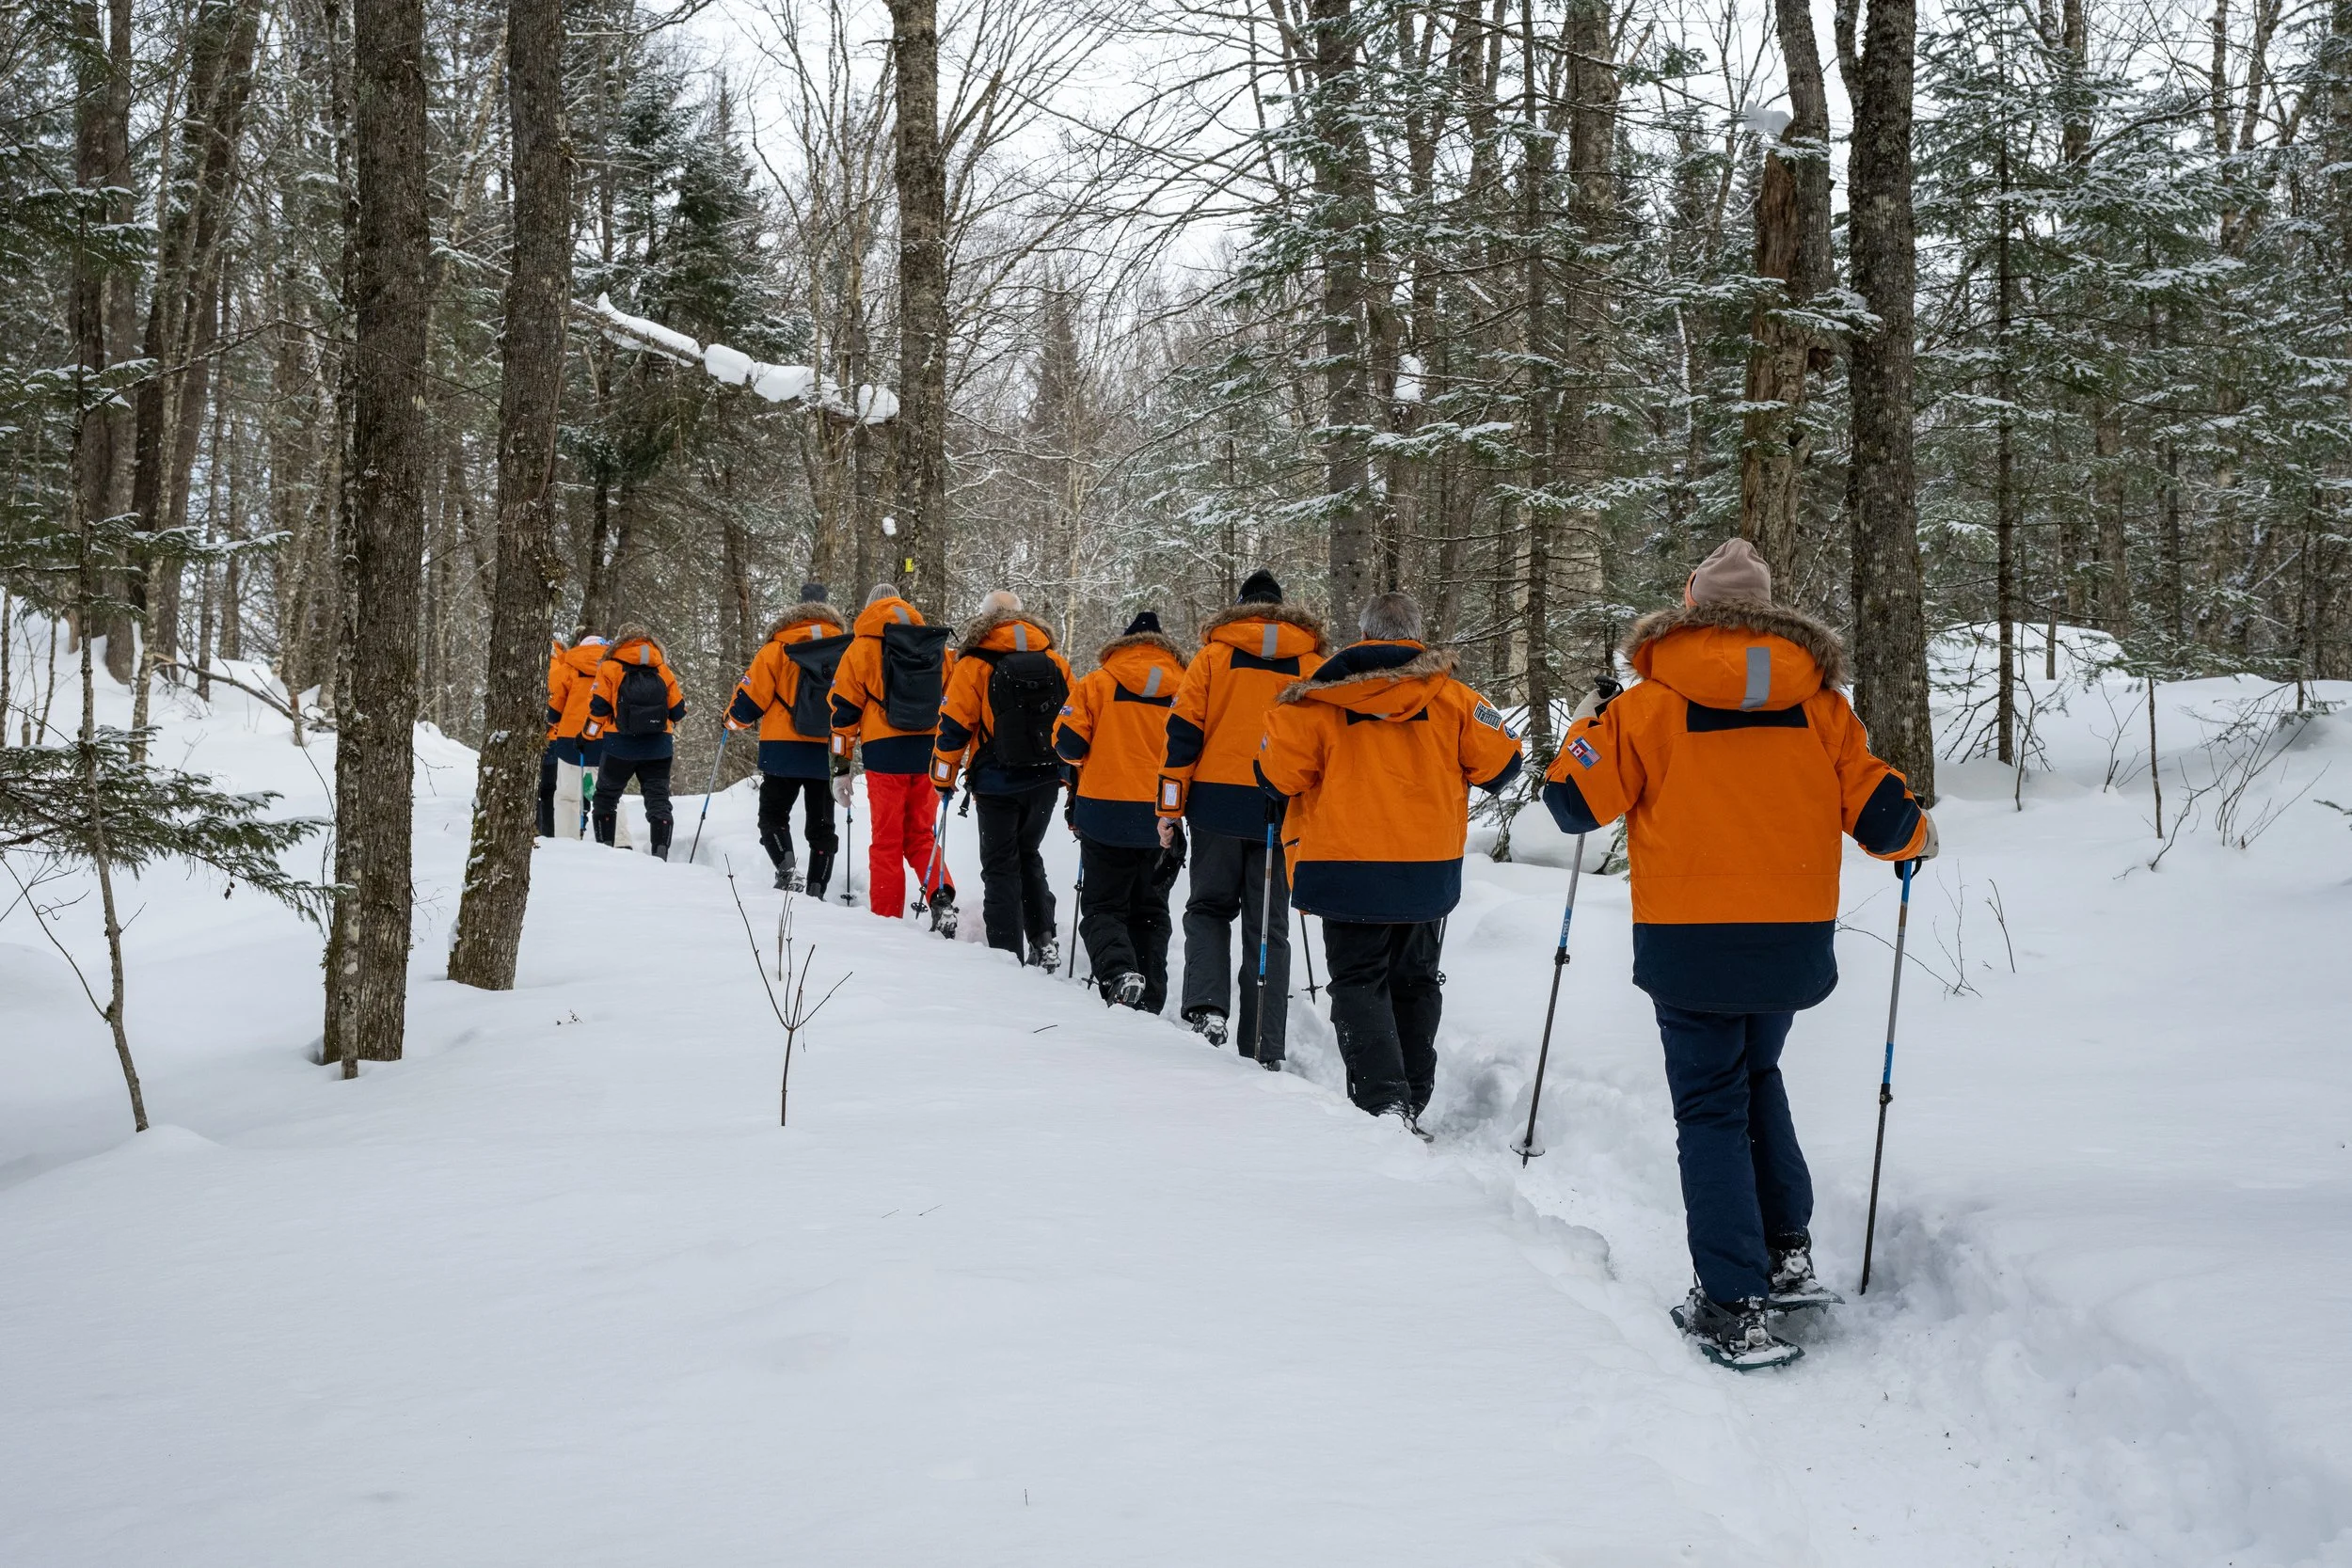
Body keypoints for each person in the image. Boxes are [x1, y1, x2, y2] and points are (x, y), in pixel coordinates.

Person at [1540, 536, 1935, 1370]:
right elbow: (1885, 816)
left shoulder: (1648, 704)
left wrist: (1586, 723)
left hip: (1691, 937)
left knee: (1712, 1105)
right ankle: (1785, 1251)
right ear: (1768, 611)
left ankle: (1731, 1300)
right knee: (1757, 1075)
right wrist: (1916, 829)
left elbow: (1573, 804)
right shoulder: (1823, 704)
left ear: (1691, 608)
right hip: (1789, 938)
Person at [1257, 591, 1522, 1120]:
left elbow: (1275, 778)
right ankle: (1413, 1096)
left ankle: (1384, 1099)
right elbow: (1504, 768)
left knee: (1358, 981)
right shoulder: (1458, 700)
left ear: (1363, 634)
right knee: (1415, 980)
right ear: (1417, 633)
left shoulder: (1314, 703)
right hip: (1426, 866)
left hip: (1343, 862)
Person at [1155, 569, 1328, 1063]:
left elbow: (1183, 735)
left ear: (1239, 607)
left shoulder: (1214, 657)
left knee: (1209, 908)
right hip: (1281, 805)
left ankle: (1208, 1010)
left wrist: (1169, 808)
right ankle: (1263, 1043)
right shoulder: (1314, 663)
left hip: (1215, 805)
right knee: (1269, 924)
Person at [930, 590, 1073, 964]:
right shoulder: (1054, 659)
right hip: (1045, 780)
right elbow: (1071, 722)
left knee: (1000, 865)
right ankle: (1043, 938)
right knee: (1029, 853)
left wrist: (942, 776)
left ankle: (1007, 954)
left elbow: (954, 726)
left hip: (996, 781)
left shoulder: (975, 661)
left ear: (985, 618)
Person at [1055, 611, 1188, 1008]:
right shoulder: (1188, 688)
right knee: (1150, 907)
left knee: (1103, 905)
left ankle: (1117, 973)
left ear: (1124, 645)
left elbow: (1068, 746)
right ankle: (1150, 995)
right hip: (1160, 813)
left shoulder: (1096, 684)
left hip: (1104, 811)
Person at [829, 583, 959, 931]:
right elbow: (953, 700)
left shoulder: (859, 649)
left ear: (871, 608)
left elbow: (843, 714)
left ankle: (886, 923)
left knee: (886, 841)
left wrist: (840, 769)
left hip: (885, 754)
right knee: (921, 835)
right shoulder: (934, 646)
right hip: (928, 752)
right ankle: (940, 895)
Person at [726, 585, 850, 894]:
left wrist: (731, 719)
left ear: (797, 609)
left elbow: (750, 702)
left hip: (782, 748)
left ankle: (787, 869)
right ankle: (817, 888)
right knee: (823, 824)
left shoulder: (777, 648)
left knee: (773, 814)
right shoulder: (847, 651)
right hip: (828, 747)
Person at [582, 624, 689, 859]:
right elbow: (679, 710)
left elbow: (598, 708)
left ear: (619, 643)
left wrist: (586, 736)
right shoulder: (661, 669)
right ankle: (660, 854)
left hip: (619, 745)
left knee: (606, 798)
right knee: (658, 800)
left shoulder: (609, 667)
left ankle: (605, 850)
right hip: (659, 745)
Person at [541, 628, 609, 838]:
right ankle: (617, 841)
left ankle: (567, 839)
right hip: (604, 738)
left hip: (570, 739)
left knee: (567, 794)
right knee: (606, 793)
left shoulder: (569, 667)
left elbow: (553, 709)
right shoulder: (613, 668)